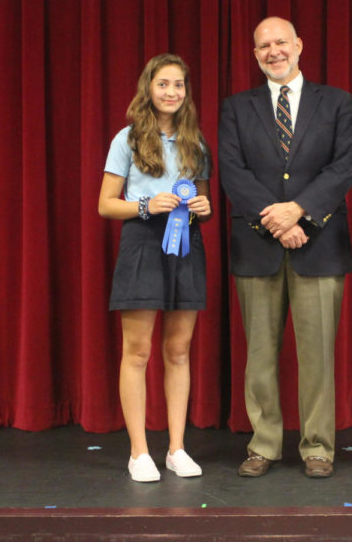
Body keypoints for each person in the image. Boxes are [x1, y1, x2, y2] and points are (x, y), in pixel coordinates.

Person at [218, 17, 352, 478]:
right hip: (258, 246)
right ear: (254, 53)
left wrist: (298, 211)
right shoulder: (237, 108)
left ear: (299, 45)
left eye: (281, 42)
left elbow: (344, 166)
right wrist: (277, 222)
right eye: (263, 45)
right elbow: (233, 172)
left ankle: (318, 447)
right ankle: (264, 444)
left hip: (318, 242)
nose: (273, 51)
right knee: (260, 352)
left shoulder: (336, 102)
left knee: (318, 353)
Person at [98, 54, 212, 483]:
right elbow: (105, 205)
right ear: (149, 88)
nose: (171, 92)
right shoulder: (126, 140)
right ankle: (139, 452)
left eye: (179, 85)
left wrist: (203, 207)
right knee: (139, 350)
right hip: (143, 243)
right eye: (163, 84)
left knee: (179, 350)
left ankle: (177, 448)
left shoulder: (195, 142)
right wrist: (145, 204)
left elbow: (202, 202)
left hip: (186, 244)